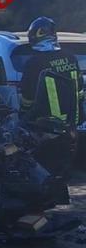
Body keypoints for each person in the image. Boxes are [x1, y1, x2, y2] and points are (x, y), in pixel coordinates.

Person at [19, 17, 81, 173]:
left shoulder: (34, 63)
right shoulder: (71, 58)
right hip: (72, 125)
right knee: (64, 169)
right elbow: (79, 90)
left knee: (44, 171)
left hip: (45, 127)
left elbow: (27, 98)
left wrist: (23, 117)